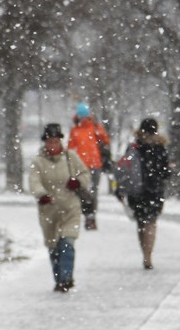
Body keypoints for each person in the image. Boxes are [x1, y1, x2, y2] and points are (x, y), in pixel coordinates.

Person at [29, 122, 91, 292]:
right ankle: (59, 279)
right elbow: (34, 181)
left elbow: (85, 173)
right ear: (44, 143)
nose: (53, 145)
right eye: (49, 142)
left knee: (67, 242)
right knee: (53, 247)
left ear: (61, 141)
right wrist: (41, 195)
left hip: (71, 207)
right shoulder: (38, 162)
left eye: (56, 141)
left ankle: (67, 277)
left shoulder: (71, 158)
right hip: (49, 211)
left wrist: (78, 182)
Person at [121, 117, 170, 270]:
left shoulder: (134, 147)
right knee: (151, 222)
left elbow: (124, 168)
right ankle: (148, 255)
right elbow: (165, 172)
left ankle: (144, 253)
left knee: (141, 223)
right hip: (154, 190)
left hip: (136, 191)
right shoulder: (160, 147)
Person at [67, 102, 111, 230]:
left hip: (95, 164)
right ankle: (87, 214)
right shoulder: (75, 131)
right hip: (81, 167)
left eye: (86, 116)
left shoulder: (95, 127)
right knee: (84, 192)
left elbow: (106, 140)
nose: (84, 119)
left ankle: (91, 217)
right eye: (82, 116)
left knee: (93, 192)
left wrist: (100, 134)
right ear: (78, 117)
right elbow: (70, 149)